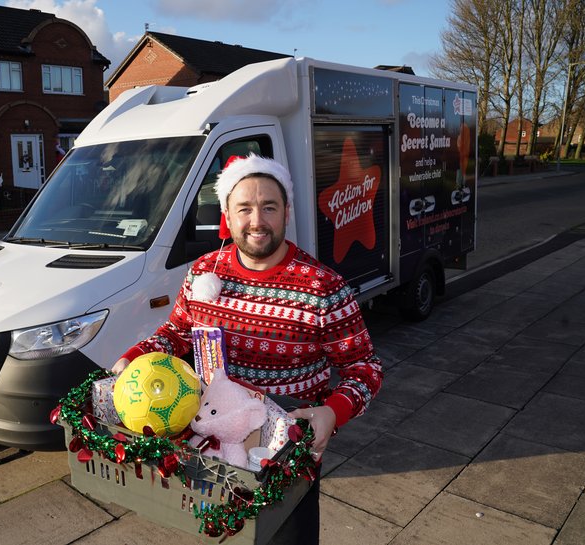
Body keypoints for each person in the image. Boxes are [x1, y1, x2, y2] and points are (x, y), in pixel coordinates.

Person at [112, 153, 383, 543]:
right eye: (245, 209)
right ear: (227, 214)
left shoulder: (322, 288)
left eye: (269, 207)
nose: (257, 221)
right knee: (219, 532)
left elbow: (366, 369)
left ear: (286, 212)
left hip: (286, 452)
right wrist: (135, 356)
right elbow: (175, 333)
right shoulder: (204, 273)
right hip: (212, 442)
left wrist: (332, 412)